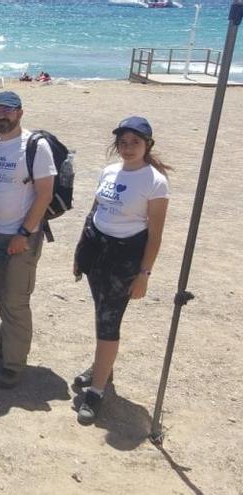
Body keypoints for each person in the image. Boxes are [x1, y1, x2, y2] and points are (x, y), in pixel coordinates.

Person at [72, 117, 170, 424]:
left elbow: (155, 235)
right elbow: (95, 209)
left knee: (109, 321)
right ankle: (104, 367)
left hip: (124, 258)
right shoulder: (110, 171)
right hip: (96, 248)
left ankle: (98, 390)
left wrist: (144, 274)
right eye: (123, 143)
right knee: (102, 313)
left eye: (135, 143)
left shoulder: (155, 181)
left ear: (147, 145)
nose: (128, 149)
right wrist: (80, 251)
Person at [0, 91, 56, 389]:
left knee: (16, 300)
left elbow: (45, 194)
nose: (1, 115)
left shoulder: (36, 146)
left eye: (7, 110)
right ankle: (5, 344)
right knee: (2, 294)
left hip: (21, 236)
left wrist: (23, 233)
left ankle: (13, 364)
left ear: (20, 113)